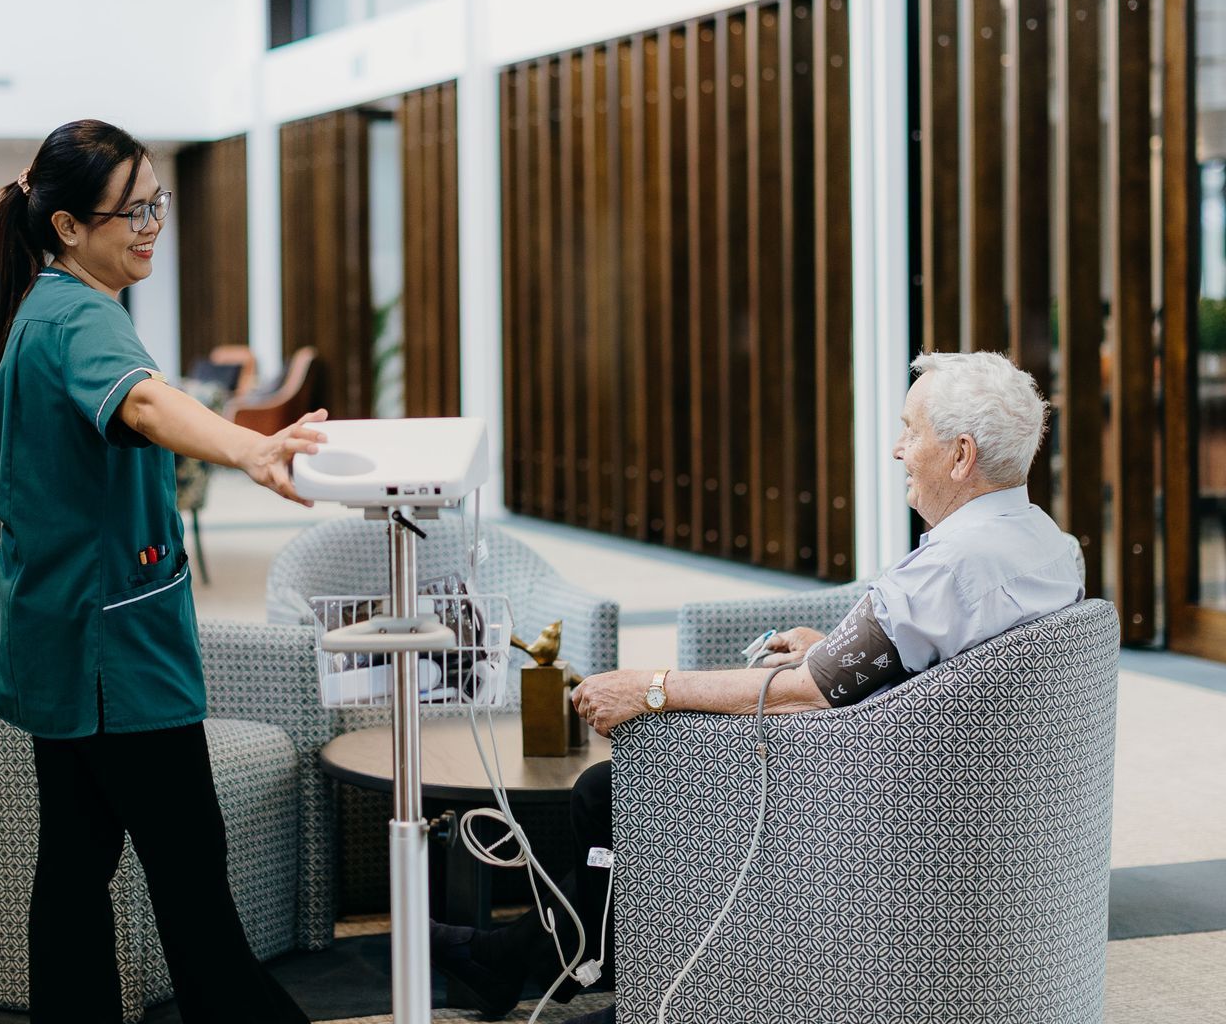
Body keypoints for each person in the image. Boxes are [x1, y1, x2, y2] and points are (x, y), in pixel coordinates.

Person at [433, 351, 1086, 1023]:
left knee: (608, 788)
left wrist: (650, 688)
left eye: (911, 431)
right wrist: (834, 650)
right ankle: (540, 956)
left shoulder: (951, 564)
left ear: (961, 455)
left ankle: (631, 978)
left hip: (863, 808)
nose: (898, 450)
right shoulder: (1047, 544)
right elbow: (935, 666)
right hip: (946, 794)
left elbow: (808, 692)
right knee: (607, 792)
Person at [0, 119, 323, 1024]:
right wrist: (248, 452)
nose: (149, 225)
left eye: (154, 204)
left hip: (61, 642)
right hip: (112, 654)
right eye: (128, 210)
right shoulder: (80, 315)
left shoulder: (40, 310)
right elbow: (142, 400)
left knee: (75, 866)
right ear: (67, 228)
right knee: (192, 882)